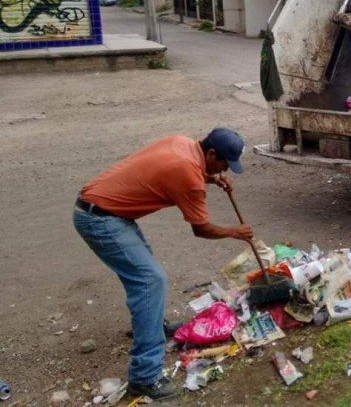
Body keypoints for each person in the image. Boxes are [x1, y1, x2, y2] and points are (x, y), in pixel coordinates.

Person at [73, 128, 254, 400]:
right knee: (150, 280)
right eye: (224, 163)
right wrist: (234, 232)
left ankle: (151, 327)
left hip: (103, 209)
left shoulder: (182, 144)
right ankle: (144, 377)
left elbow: (177, 169)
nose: (225, 168)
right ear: (211, 153)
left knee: (144, 276)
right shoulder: (189, 175)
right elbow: (201, 229)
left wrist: (211, 178)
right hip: (100, 219)